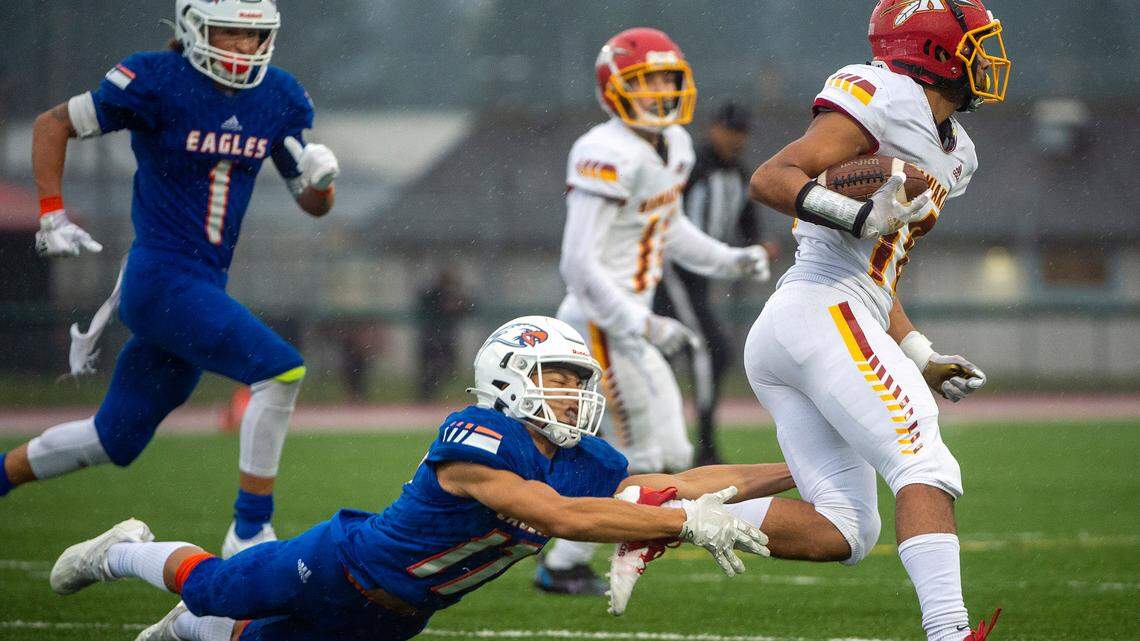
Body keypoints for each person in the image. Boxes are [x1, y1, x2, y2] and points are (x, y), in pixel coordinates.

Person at [48, 316, 793, 641]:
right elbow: (556, 516)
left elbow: (683, 479)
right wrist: (683, 524)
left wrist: (801, 466)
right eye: (558, 378)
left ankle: (185, 630)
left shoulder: (585, 458)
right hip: (341, 564)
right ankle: (120, 549)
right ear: (509, 378)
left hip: (403, 614)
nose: (574, 394)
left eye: (578, 380)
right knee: (213, 586)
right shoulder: (478, 436)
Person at [636, 2, 1011, 639]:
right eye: (975, 43)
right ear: (934, 50)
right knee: (924, 463)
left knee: (846, 530)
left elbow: (877, 273)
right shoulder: (885, 94)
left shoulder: (959, 152)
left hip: (822, 317)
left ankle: (661, 509)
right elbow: (771, 177)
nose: (988, 58)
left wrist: (920, 354)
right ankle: (950, 633)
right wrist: (859, 215)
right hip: (821, 307)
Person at [0, 0, 340, 559]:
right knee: (281, 370)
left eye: (255, 36)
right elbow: (52, 124)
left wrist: (322, 182)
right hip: (160, 278)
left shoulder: (277, 95)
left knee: (114, 439)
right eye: (229, 33)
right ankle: (250, 533)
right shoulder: (157, 79)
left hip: (202, 286)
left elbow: (314, 205)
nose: (245, 47)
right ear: (194, 27)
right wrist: (51, 214)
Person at [538, 27, 775, 595]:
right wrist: (642, 322)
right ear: (615, 87)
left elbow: (670, 230)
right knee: (639, 451)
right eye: (648, 81)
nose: (662, 92)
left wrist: (730, 260)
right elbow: (578, 263)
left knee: (672, 450)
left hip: (627, 325)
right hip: (598, 323)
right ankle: (564, 559)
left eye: (668, 79)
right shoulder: (606, 150)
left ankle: (568, 546)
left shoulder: (676, 145)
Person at [653, 101, 779, 465]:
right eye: (730, 130)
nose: (735, 139)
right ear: (714, 129)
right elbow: (667, 219)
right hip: (672, 273)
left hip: (701, 278)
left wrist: (757, 246)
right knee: (709, 350)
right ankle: (701, 447)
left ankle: (670, 444)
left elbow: (747, 221)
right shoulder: (692, 166)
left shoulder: (738, 174)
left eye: (741, 132)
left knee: (671, 353)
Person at [416, 266, 469, 401]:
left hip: (446, 337)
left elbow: (468, 308)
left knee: (448, 367)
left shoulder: (454, 294)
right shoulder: (433, 294)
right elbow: (426, 304)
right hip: (432, 336)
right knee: (429, 367)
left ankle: (428, 392)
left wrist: (458, 305)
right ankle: (425, 394)